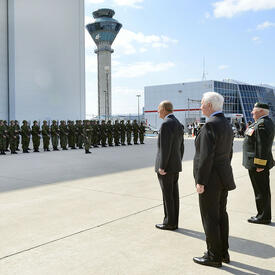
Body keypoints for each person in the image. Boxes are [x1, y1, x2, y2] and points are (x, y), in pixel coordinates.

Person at [193, 92, 236, 268]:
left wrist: (201, 181)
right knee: (221, 215)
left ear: (210, 106)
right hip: (223, 176)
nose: (201, 107)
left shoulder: (210, 125)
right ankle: (222, 252)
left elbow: (205, 157)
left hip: (210, 179)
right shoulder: (225, 124)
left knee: (209, 218)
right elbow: (229, 153)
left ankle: (213, 256)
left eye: (202, 104)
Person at [243, 102, 274, 225]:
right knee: (262, 190)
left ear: (261, 111)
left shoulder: (262, 124)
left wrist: (260, 165)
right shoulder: (263, 122)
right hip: (257, 163)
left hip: (258, 165)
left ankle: (263, 216)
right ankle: (262, 214)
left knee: (261, 191)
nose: (251, 112)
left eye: (254, 110)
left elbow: (262, 146)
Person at [155, 101, 184, 231]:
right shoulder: (177, 123)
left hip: (166, 167)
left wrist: (162, 166)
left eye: (159, 109)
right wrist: (177, 161)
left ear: (165, 110)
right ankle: (174, 221)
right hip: (174, 165)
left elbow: (165, 148)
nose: (158, 112)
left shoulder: (166, 124)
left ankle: (169, 223)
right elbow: (180, 147)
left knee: (167, 195)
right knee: (173, 195)